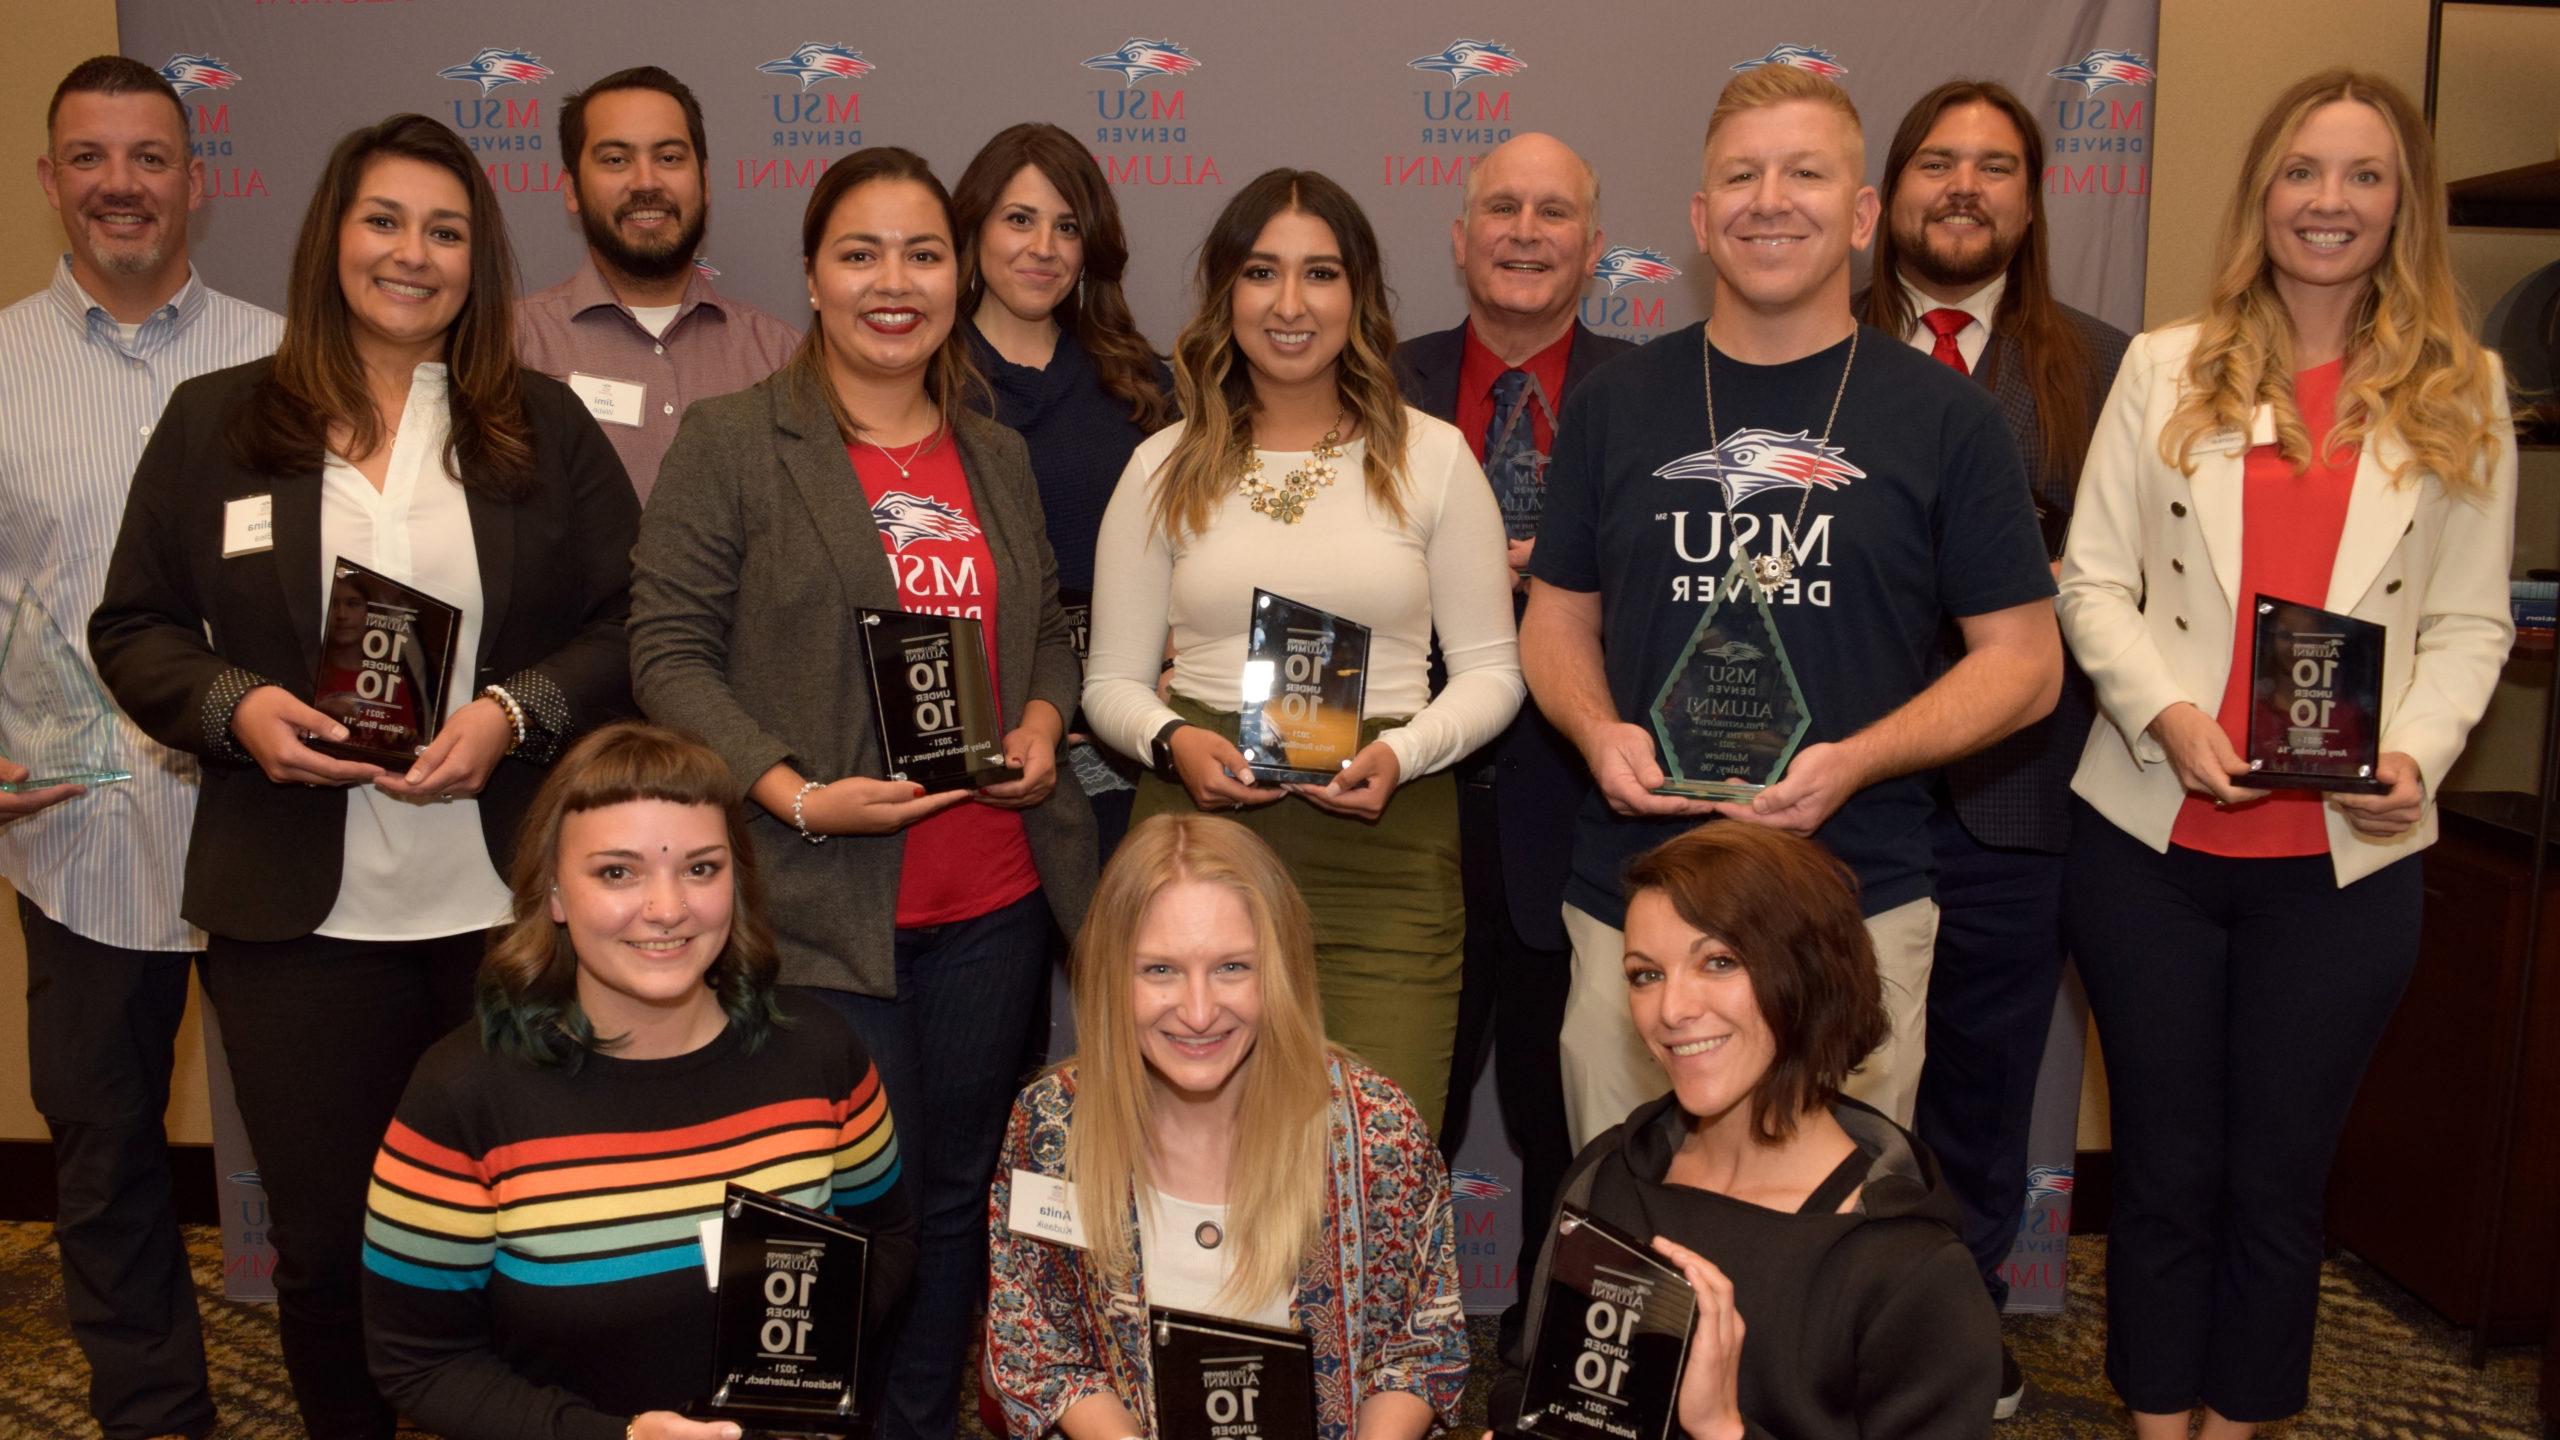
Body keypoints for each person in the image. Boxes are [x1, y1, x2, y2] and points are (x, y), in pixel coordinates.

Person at [88, 112, 639, 1440]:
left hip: (505, 913)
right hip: (299, 919)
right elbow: (135, 628)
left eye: (446, 231)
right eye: (384, 221)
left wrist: (513, 713)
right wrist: (238, 707)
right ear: (333, 235)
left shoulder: (540, 428)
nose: (413, 253)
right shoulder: (219, 420)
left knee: (528, 1240)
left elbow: (632, 625)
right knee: (331, 1254)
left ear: (479, 261)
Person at [2057, 70, 2516, 1438]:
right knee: (2164, 1171)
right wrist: (2167, 716)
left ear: (2403, 205)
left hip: (2348, 858)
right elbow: (2091, 583)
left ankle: (2241, 1422)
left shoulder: (2466, 387)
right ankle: (2154, 1421)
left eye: (2364, 176)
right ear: (2263, 193)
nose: (2330, 202)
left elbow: (2470, 619)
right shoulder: (2164, 365)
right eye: (2304, 172)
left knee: (2279, 1179)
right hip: (2152, 842)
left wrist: (2420, 752)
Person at [629, 145, 1099, 1440]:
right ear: (813, 277)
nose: (895, 282)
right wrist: (788, 794)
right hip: (821, 899)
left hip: (993, 897)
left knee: (953, 1198)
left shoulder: (991, 453)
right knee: (819, 1207)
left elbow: (1051, 625)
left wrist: (1050, 721)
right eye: (861, 252)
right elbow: (664, 649)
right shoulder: (736, 442)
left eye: (922, 253)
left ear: (956, 277)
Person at [1519, 64, 2060, 1145]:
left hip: (1852, 900)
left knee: (1830, 1258)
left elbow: (2026, 663)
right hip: (1640, 905)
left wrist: (1855, 759)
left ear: (1861, 214)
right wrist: (1595, 728)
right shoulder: (1613, 403)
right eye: (1741, 175)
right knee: (1635, 1249)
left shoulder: (1949, 419)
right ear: (1700, 217)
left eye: (1805, 173)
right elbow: (1556, 618)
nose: (1770, 200)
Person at [1082, 168, 1524, 1134]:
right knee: (1192, 1165)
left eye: (1320, 274)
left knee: (1379, 1159)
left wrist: (1403, 753)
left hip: (1387, 851)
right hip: (1197, 856)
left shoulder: (1433, 456)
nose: (1290, 304)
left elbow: (1494, 672)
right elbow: (1109, 684)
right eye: (1261, 272)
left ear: (1359, 295)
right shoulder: (1162, 463)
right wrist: (1168, 743)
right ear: (1224, 293)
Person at [361, 721, 919, 1440]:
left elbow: (890, 1236)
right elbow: (419, 1361)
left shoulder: (818, 1053)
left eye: (700, 868)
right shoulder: (463, 1094)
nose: (666, 909)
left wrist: (802, 1365)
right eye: (617, 872)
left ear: (737, 885)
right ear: (555, 894)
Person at [0, 54, 280, 1440]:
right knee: (107, 1164)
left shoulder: (288, 360)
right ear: (52, 179)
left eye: (150, 157)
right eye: (90, 157)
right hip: (79, 844)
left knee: (327, 1154)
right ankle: (154, 1418)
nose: (121, 183)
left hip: (280, 834)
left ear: (195, 180)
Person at [1859, 78, 2131, 1416]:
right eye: (1935, 161)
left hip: (2015, 808)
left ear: (2032, 199)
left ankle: (1955, 1332)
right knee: (1825, 1080)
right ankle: (1820, 1318)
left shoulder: (2108, 366)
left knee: (1978, 1094)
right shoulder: (1806, 347)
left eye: (1996, 165)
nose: (1962, 186)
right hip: (1830, 798)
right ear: (1888, 193)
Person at [1490, 822, 2000, 1440]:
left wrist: (1722, 1430)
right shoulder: (1611, 1175)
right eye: (1645, 974)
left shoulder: (1909, 1269)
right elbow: (1535, 1388)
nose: (1671, 1009)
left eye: (1719, 962)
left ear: (1811, 974)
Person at [984, 813, 1467, 1440]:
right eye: (1159, 970)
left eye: (1233, 967)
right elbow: (1040, 1343)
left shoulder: (1377, 1128)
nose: (1199, 1011)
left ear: (1282, 968)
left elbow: (1418, 1345)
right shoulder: (1053, 1126)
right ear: (1110, 974)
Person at [1390, 129, 1624, 1319]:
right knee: (1390, 1116)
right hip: (1397, 810)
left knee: (1569, 1125)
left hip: (1578, 820)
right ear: (1459, 237)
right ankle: (1385, 1354)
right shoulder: (1372, 384)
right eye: (1500, 209)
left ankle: (1547, 1367)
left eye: (1553, 211)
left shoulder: (1653, 396)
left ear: (1594, 244)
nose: (1525, 232)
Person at [951, 121, 1176, 860]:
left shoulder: (1140, 383)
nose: (1043, 248)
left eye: (1067, 226)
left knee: (1119, 968)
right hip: (972, 748)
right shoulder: (922, 381)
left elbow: (1193, 547)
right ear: (974, 230)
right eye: (1019, 220)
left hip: (1116, 746)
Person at [516, 65, 799, 501]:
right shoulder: (511, 349)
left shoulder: (781, 359)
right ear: (571, 189)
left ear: (704, 183)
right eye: (616, 160)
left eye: (668, 158)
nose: (646, 182)